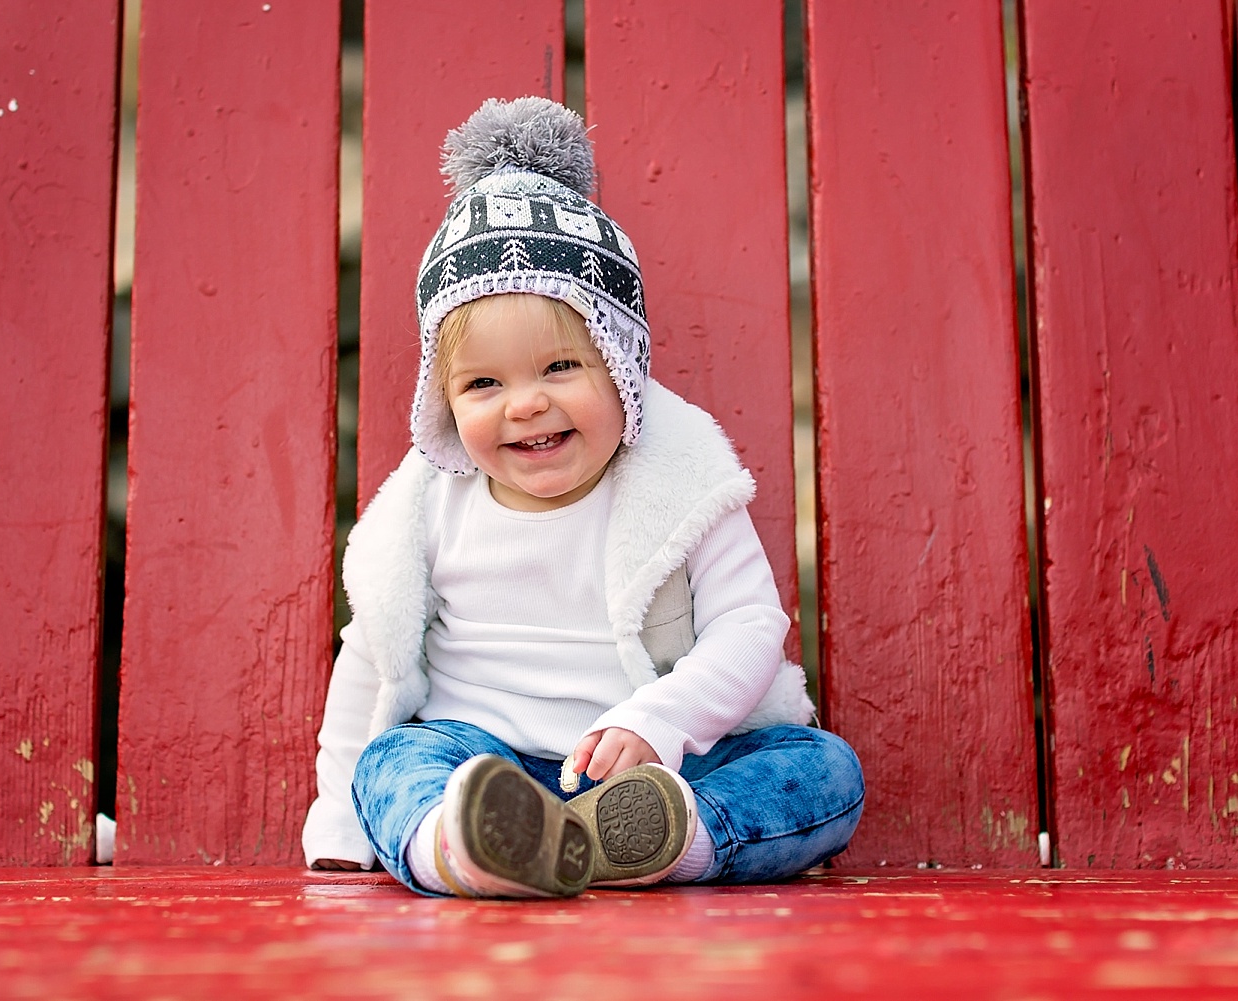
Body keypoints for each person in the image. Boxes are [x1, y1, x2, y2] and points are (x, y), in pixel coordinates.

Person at [302, 96, 863, 897]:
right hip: (481, 762)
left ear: (622, 369)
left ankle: (663, 840)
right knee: (394, 760)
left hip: (657, 763)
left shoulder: (681, 481)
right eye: (485, 383)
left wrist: (659, 720)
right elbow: (373, 661)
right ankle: (468, 849)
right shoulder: (428, 506)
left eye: (560, 368)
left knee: (821, 768)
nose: (525, 404)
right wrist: (337, 818)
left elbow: (750, 625)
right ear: (446, 399)